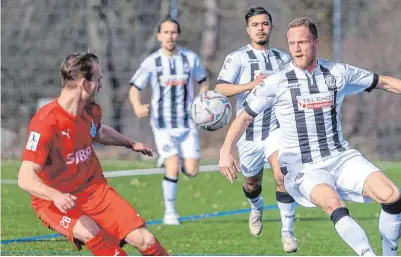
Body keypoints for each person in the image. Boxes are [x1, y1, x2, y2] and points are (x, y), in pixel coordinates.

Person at [218, 17, 401, 256]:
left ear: (315, 42)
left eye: (303, 42)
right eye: (292, 43)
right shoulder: (277, 82)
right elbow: (244, 117)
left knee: (392, 196)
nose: (296, 48)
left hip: (341, 156)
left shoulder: (337, 72)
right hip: (302, 166)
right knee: (335, 205)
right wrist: (226, 150)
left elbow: (384, 83)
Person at [18, 52, 168, 256]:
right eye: (98, 80)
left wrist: (130, 143)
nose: (101, 85)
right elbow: (25, 177)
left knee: (146, 240)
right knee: (94, 235)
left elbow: (98, 131)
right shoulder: (45, 122)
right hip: (55, 202)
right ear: (83, 83)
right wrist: (56, 195)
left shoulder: (90, 110)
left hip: (95, 191)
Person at [215, 6, 297, 253]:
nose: (261, 28)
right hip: (248, 132)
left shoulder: (283, 59)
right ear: (248, 29)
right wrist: (252, 85)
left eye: (265, 23)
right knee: (252, 183)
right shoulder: (237, 58)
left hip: (276, 129)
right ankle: (256, 207)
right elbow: (220, 89)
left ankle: (287, 233)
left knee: (282, 174)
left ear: (271, 26)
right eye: (256, 24)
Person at [128, 17, 210, 225]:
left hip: (187, 123)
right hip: (162, 124)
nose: (169, 36)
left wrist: (203, 102)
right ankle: (170, 213)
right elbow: (134, 88)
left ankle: (172, 157)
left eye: (173, 32)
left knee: (191, 170)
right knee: (172, 166)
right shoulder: (152, 62)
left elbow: (203, 82)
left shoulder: (190, 59)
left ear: (178, 35)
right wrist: (137, 106)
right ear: (159, 36)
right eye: (165, 32)